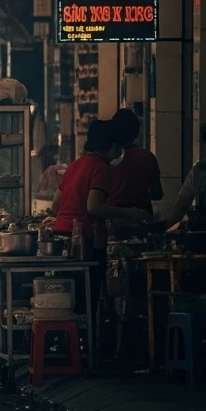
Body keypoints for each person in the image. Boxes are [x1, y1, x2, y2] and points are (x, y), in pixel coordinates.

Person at [51, 119, 149, 317]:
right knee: (87, 300)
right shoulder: (100, 168)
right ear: (113, 146)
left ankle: (71, 340)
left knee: (66, 299)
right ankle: (86, 344)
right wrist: (128, 212)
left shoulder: (75, 165)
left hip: (60, 237)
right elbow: (94, 206)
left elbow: (55, 206)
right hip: (85, 241)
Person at [107, 108, 163, 236]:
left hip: (112, 222)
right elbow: (157, 194)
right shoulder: (147, 157)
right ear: (137, 133)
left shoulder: (107, 159)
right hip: (142, 223)